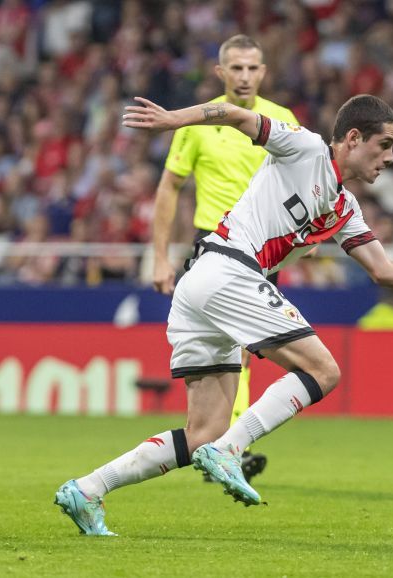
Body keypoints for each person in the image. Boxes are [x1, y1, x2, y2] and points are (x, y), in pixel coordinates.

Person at [55, 94, 393, 535]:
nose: (390, 158)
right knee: (324, 371)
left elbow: (384, 269)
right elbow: (235, 114)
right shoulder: (306, 147)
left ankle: (89, 489)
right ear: (352, 138)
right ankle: (232, 449)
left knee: (202, 433)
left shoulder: (343, 207)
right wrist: (176, 120)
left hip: (201, 284)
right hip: (229, 270)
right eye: (385, 145)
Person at [152, 34, 298, 482]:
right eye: (236, 68)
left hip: (262, 248)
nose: (245, 76)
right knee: (229, 350)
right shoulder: (200, 122)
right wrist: (159, 257)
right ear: (220, 72)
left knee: (247, 352)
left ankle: (219, 445)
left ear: (264, 72)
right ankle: (227, 445)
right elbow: (169, 187)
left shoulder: (281, 120)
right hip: (212, 243)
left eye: (253, 68)